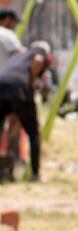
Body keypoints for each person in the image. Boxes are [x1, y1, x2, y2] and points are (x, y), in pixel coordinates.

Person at [0, 41, 51, 182]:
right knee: (34, 133)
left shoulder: (19, 55)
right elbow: (39, 60)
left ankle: (5, 169)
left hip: (1, 83)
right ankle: (35, 174)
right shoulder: (39, 51)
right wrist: (31, 81)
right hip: (19, 86)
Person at [0, 9, 25, 166]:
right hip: (7, 87)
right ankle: (11, 158)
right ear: (8, 20)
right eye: (15, 23)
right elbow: (21, 58)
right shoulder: (8, 36)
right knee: (15, 120)